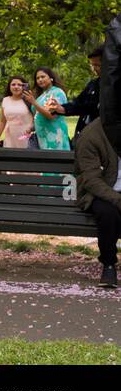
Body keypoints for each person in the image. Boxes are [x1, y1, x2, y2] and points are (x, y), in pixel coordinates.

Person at [73, 15, 121, 287]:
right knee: (106, 211)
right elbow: (90, 178)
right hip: (105, 193)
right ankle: (109, 265)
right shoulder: (93, 135)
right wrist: (116, 198)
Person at [56, 47, 103, 146]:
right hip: (86, 132)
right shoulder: (93, 84)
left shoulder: (113, 86)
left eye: (97, 65)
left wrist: (63, 109)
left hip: (103, 136)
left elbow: (93, 106)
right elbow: (78, 102)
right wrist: (61, 108)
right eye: (92, 65)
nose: (94, 69)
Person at [27, 67, 71, 151]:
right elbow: (38, 115)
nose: (40, 80)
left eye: (43, 77)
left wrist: (33, 102)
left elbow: (51, 116)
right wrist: (31, 128)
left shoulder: (57, 92)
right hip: (43, 138)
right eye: (37, 78)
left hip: (54, 137)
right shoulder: (41, 96)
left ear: (51, 78)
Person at [0, 76, 35, 149]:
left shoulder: (29, 100)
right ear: (9, 87)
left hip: (26, 138)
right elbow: (2, 121)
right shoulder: (5, 100)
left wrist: (31, 128)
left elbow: (36, 118)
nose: (16, 87)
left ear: (24, 87)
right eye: (13, 84)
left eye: (19, 85)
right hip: (10, 138)